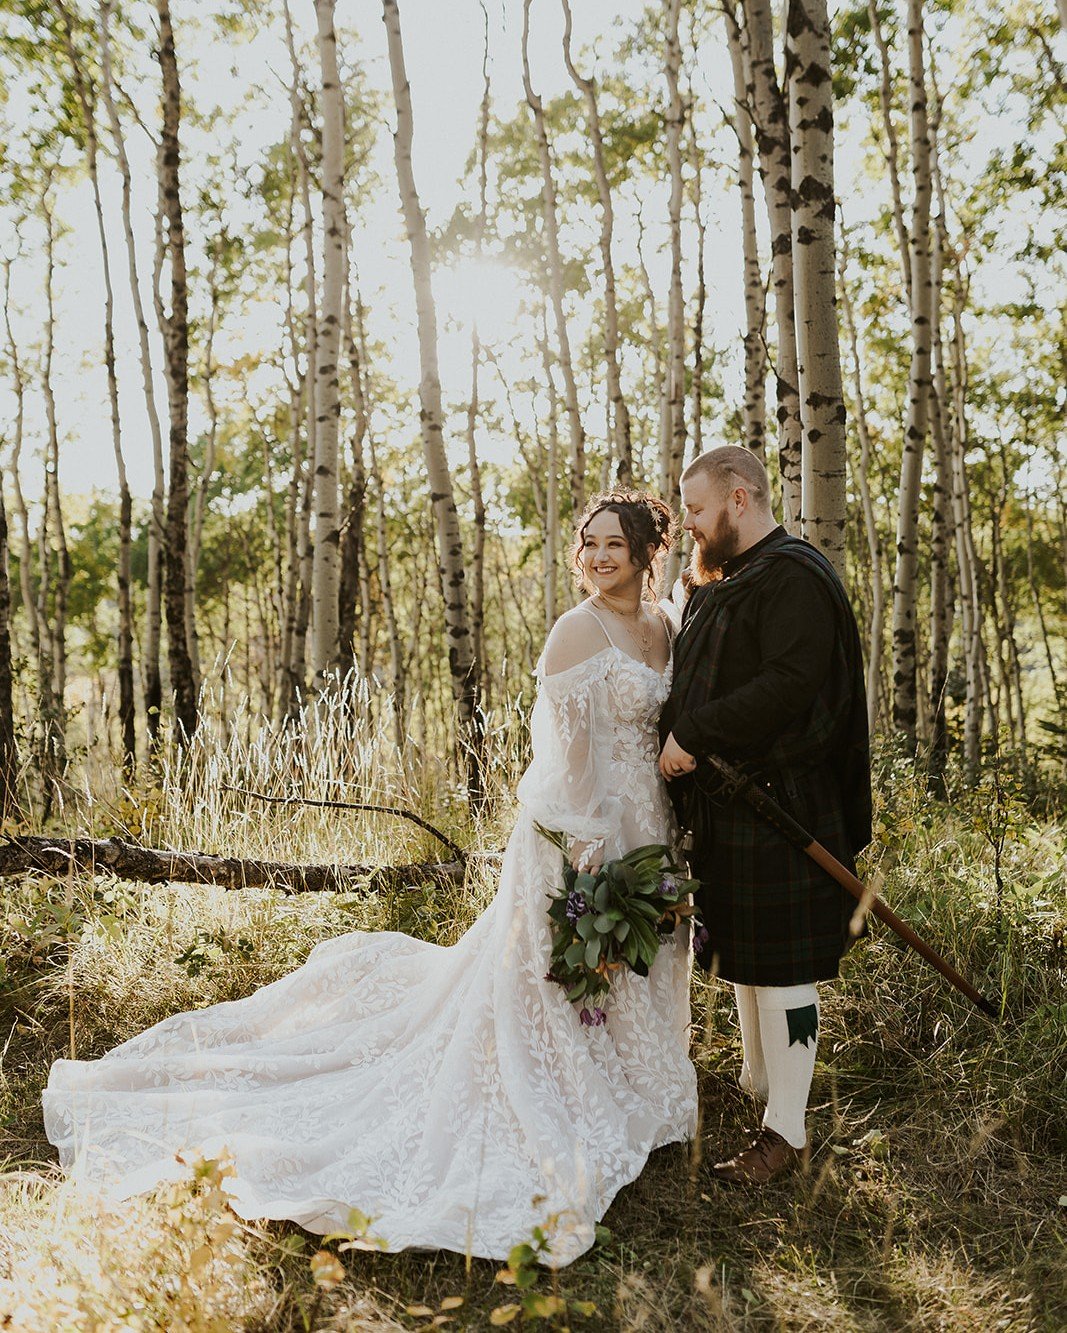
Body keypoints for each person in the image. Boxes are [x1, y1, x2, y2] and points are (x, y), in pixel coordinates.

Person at [44, 491, 697, 1268]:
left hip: (646, 819)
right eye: (585, 542)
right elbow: (571, 758)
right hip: (577, 832)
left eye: (611, 544)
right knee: (560, 975)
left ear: (646, 550)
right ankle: (570, 1090)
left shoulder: (662, 623)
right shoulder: (573, 632)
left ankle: (635, 1084)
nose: (594, 557)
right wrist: (589, 847)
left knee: (634, 962)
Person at [658, 446, 871, 1185]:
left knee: (786, 974)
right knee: (752, 957)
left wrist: (695, 732)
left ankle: (787, 1130)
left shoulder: (793, 576)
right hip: (737, 801)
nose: (687, 523)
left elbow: (789, 685)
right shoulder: (738, 575)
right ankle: (758, 1083)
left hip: (784, 800)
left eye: (695, 508)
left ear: (739, 499)